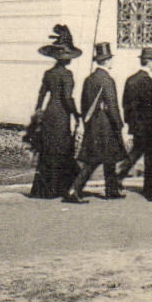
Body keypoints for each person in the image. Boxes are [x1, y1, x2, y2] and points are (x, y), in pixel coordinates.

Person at [66, 42, 128, 203]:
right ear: (106, 61)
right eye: (110, 59)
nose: (111, 62)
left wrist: (85, 122)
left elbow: (84, 103)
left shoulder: (89, 79)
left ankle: (111, 189)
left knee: (108, 159)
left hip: (93, 124)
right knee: (95, 161)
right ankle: (74, 190)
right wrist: (119, 125)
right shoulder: (107, 80)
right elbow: (113, 105)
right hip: (106, 125)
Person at [28, 24, 83, 199]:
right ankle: (61, 187)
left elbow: (42, 93)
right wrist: (76, 114)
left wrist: (38, 110)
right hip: (60, 115)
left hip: (49, 112)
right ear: (67, 58)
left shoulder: (49, 73)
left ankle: (44, 189)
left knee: (49, 150)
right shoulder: (67, 75)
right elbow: (68, 98)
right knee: (62, 149)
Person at [119, 47, 152, 198]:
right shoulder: (150, 82)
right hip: (150, 126)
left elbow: (126, 103)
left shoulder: (131, 80)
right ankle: (149, 187)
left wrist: (130, 122)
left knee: (136, 153)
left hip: (137, 125)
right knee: (151, 157)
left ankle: (117, 177)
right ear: (150, 62)